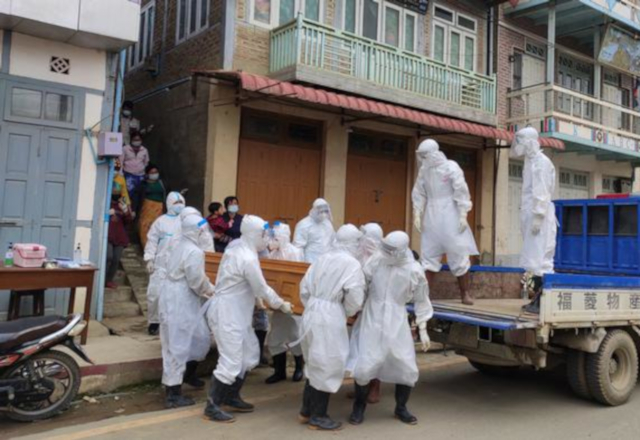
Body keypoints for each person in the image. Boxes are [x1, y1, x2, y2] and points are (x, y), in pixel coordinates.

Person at [204, 215, 292, 423]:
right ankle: (212, 406)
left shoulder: (236, 246)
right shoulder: (247, 257)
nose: (267, 238)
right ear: (254, 234)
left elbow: (240, 280)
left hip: (237, 313)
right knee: (231, 360)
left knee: (248, 355)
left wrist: (256, 300)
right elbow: (261, 287)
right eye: (264, 234)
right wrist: (280, 303)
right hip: (228, 314)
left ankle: (231, 397)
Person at [347, 231, 433, 426]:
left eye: (389, 250)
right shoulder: (377, 260)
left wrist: (423, 327)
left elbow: (422, 299)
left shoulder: (414, 270)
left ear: (401, 251)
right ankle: (358, 407)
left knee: (405, 364)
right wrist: (354, 306)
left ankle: (401, 408)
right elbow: (361, 284)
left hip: (397, 320)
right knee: (365, 363)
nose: (384, 252)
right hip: (372, 316)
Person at [297, 224, 366, 431]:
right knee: (327, 364)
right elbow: (355, 298)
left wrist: (314, 305)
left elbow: (304, 288)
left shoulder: (322, 257)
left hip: (311, 312)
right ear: (353, 243)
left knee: (313, 361)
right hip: (330, 315)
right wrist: (343, 311)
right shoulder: (352, 264)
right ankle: (318, 416)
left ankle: (306, 411)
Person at [412, 139, 478, 305]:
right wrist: (417, 212)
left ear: (434, 153)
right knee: (429, 253)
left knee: (458, 251)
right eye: (421, 155)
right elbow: (419, 192)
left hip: (450, 212)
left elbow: (461, 190)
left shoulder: (451, 167)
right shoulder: (424, 171)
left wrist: (463, 214)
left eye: (425, 155)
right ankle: (424, 295)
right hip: (431, 213)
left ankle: (465, 293)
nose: (423, 158)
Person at [160, 214, 215, 408]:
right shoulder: (194, 252)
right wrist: (212, 289)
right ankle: (173, 393)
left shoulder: (179, 244)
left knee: (193, 339)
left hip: (172, 296)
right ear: (195, 231)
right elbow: (196, 281)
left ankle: (184, 378)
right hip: (180, 300)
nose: (204, 234)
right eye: (202, 231)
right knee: (178, 345)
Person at [509, 127, 557, 313]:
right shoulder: (530, 162)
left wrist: (538, 216)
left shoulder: (541, 162)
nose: (518, 145)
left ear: (530, 141)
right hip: (532, 214)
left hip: (540, 217)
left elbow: (541, 191)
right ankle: (536, 299)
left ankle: (542, 300)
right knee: (532, 259)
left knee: (539, 260)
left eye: (520, 141)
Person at [265, 223, 305, 384]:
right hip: (277, 301)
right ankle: (279, 371)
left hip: (292, 302)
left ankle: (299, 367)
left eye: (275, 238)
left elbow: (298, 276)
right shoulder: (272, 254)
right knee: (275, 335)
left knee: (295, 334)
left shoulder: (295, 252)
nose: (272, 241)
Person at [144, 192, 186, 336]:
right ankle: (154, 321)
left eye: (181, 202)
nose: (179, 206)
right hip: (161, 266)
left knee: (178, 296)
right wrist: (149, 259)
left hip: (180, 265)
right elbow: (152, 241)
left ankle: (175, 323)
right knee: (155, 294)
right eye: (176, 203)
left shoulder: (187, 221)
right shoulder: (160, 222)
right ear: (169, 204)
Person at [106, 183, 133, 288]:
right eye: (114, 192)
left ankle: (109, 280)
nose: (116, 194)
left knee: (116, 259)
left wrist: (126, 211)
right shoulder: (106, 202)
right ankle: (102, 278)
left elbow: (129, 220)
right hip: (108, 235)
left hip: (120, 236)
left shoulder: (122, 204)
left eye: (118, 192)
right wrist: (106, 213)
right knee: (109, 256)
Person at [293, 198, 335, 263]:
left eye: (325, 211)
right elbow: (298, 247)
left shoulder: (327, 224)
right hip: (310, 261)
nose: (323, 214)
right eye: (321, 211)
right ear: (314, 210)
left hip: (326, 261)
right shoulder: (304, 224)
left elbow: (333, 241)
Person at [120, 131, 150, 214]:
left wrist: (141, 170)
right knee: (127, 195)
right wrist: (121, 174)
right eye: (135, 139)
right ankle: (126, 212)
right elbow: (120, 161)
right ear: (131, 140)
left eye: (138, 139)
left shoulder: (144, 150)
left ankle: (135, 212)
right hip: (128, 176)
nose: (137, 141)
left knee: (138, 196)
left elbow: (146, 162)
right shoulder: (125, 149)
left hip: (140, 176)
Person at [139, 164, 166, 248]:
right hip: (147, 209)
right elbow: (139, 197)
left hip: (159, 208)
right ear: (147, 174)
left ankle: (157, 248)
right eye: (152, 172)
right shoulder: (144, 184)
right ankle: (147, 248)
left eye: (156, 172)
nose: (154, 174)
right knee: (145, 227)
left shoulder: (162, 183)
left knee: (158, 227)